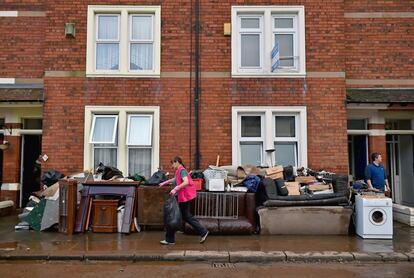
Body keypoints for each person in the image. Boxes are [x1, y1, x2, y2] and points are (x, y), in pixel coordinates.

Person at [159, 156, 209, 245]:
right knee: (179, 216)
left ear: (177, 162)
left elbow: (185, 182)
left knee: (173, 216)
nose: (172, 166)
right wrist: (164, 182)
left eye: (173, 163)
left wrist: (176, 189)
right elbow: (175, 179)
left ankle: (170, 239)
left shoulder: (182, 170)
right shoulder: (179, 171)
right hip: (182, 196)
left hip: (184, 197)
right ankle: (202, 231)